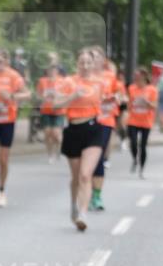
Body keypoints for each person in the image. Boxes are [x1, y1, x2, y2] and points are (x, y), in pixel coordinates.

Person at [53, 48, 103, 231]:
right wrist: (73, 95)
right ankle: (74, 204)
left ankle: (83, 213)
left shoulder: (99, 82)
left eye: (89, 62)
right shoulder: (68, 82)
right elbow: (56, 104)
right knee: (75, 176)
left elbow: (105, 101)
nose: (85, 66)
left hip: (93, 129)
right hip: (73, 129)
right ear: (77, 64)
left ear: (93, 64)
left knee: (85, 175)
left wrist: (115, 99)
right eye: (82, 62)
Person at [0, 50, 30, 207]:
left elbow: (28, 94)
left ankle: (1, 191)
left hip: (7, 120)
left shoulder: (14, 76)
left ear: (7, 62)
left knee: (3, 159)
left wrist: (12, 96)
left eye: (1, 62)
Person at [90, 50, 119, 211]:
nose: (95, 61)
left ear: (103, 60)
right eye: (92, 58)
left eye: (98, 58)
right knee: (87, 160)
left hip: (106, 120)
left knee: (98, 157)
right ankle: (87, 194)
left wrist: (116, 98)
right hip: (87, 121)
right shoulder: (83, 77)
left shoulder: (110, 76)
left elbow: (118, 94)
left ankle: (97, 196)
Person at [127, 67, 157, 177]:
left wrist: (146, 102)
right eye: (135, 76)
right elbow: (129, 104)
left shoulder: (152, 89)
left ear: (144, 77)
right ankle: (135, 158)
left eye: (137, 76)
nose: (135, 78)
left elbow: (154, 106)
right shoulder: (131, 88)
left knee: (143, 146)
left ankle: (142, 169)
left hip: (146, 121)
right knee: (133, 143)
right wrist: (132, 103)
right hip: (133, 120)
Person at [35, 62, 66, 163]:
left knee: (56, 134)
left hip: (58, 110)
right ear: (47, 71)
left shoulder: (62, 81)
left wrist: (58, 95)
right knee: (48, 133)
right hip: (46, 110)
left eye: (54, 69)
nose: (52, 72)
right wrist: (43, 96)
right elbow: (37, 95)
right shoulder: (42, 81)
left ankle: (59, 151)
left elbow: (68, 95)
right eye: (50, 69)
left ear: (57, 71)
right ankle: (50, 154)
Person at [115, 68, 128, 150]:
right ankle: (121, 138)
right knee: (117, 126)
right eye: (119, 75)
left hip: (123, 105)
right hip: (116, 105)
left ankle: (123, 141)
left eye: (122, 75)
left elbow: (127, 96)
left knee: (122, 124)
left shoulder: (126, 84)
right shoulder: (115, 83)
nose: (121, 76)